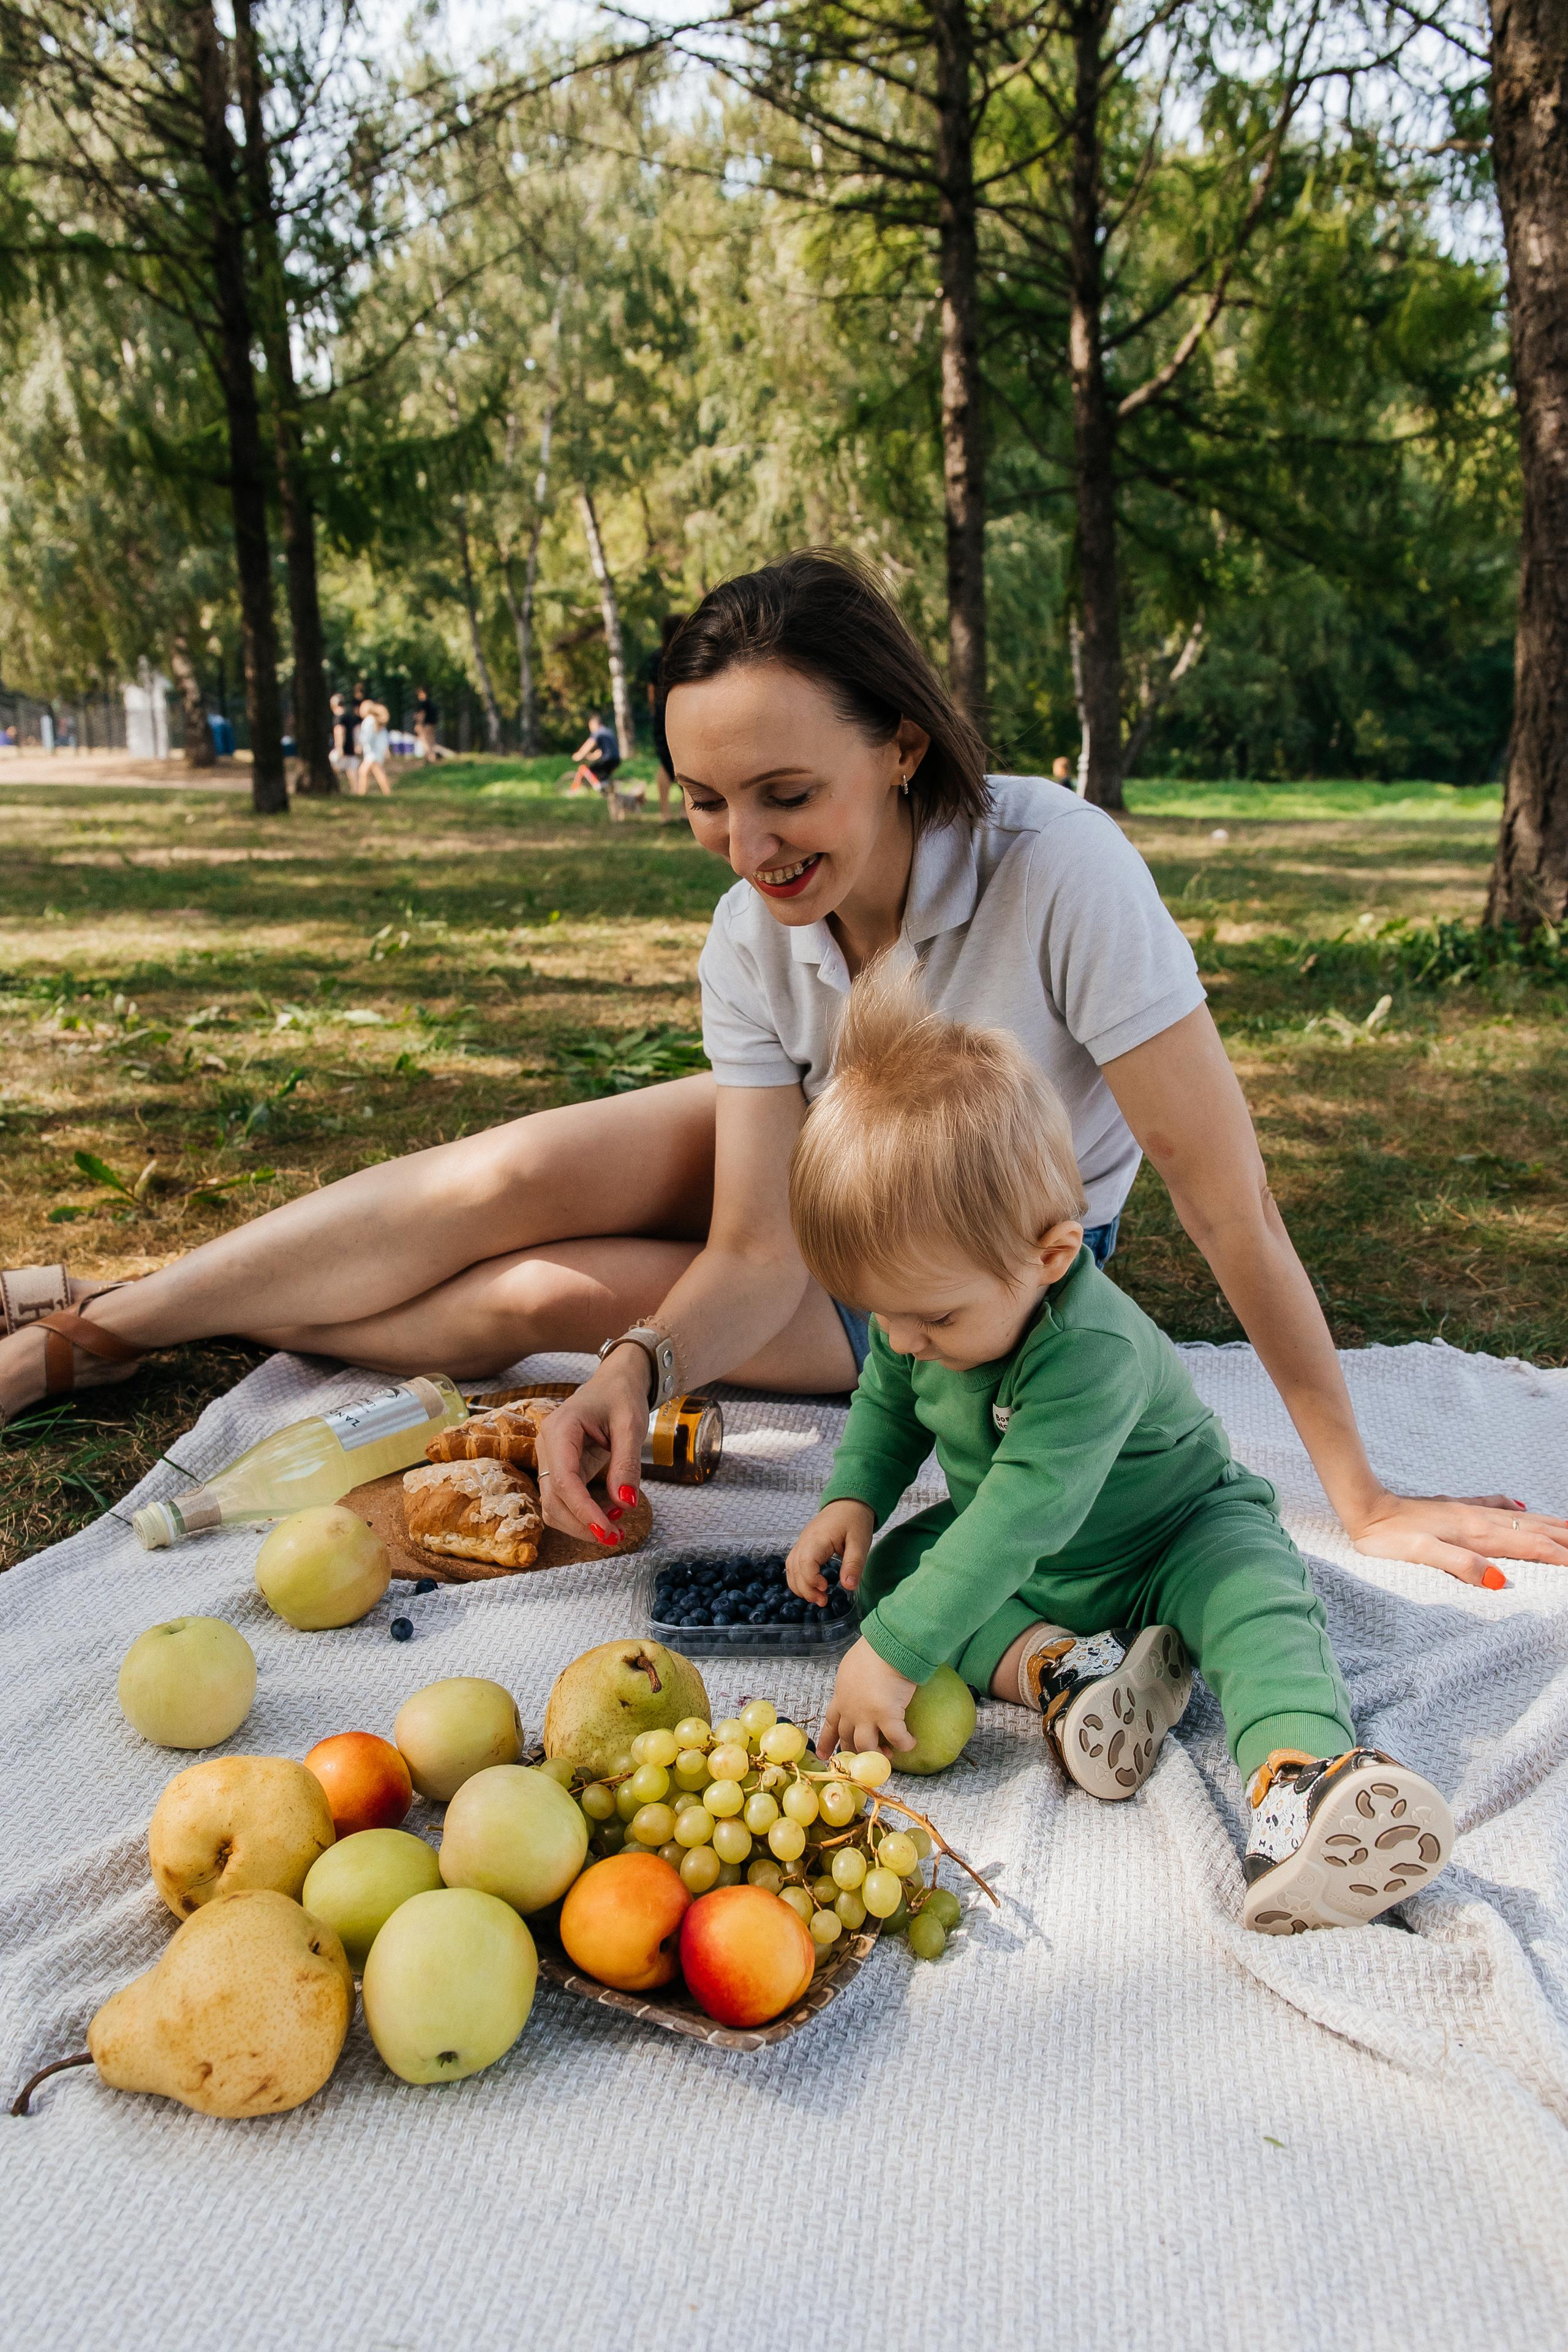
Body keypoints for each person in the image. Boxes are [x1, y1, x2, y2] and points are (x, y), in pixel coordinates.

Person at [1, 552, 1562, 1605]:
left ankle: (121, 1311)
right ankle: (110, 1321)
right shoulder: (760, 932)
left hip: (959, 1257)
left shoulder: (1060, 870)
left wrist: (1352, 1495)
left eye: (785, 793)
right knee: (502, 1176)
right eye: (703, 802)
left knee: (544, 1292)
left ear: (897, 745)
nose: (750, 850)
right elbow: (754, 1238)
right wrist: (652, 1363)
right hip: (822, 1166)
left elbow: (1235, 1216)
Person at [782, 965, 1454, 1930]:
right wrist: (852, 1499)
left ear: (1052, 1257)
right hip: (1048, 1570)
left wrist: (890, 1657)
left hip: (1177, 1534)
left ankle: (1302, 1784)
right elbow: (892, 1400)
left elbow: (1021, 1513)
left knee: (1258, 1607)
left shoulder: (1087, 1350)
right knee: (896, 1568)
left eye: (927, 1315)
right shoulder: (918, 1325)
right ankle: (1072, 1670)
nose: (900, 1340)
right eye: (876, 1313)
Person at [643, 616, 687, 823]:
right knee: (685, 762)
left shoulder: (656, 658)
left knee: (665, 764)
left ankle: (665, 814)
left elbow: (652, 690)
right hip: (685, 713)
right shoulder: (687, 656)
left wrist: (655, 713)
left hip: (662, 715)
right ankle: (685, 812)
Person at [566, 712, 620, 796]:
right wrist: (590, 757)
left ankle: (600, 788)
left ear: (594, 724)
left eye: (590, 726)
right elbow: (600, 752)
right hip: (616, 760)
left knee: (591, 771)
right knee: (603, 776)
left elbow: (589, 745)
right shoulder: (608, 731)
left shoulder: (598, 733)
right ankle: (605, 791)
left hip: (607, 759)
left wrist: (579, 755)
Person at [353, 701, 393, 797]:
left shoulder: (368, 721)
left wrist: (360, 745)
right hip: (376, 752)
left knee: (363, 771)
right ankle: (386, 792)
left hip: (372, 753)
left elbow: (367, 737)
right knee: (376, 773)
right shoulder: (376, 721)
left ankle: (362, 794)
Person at [414, 687, 451, 761]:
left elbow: (422, 714)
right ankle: (432, 756)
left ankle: (428, 756)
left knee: (424, 740)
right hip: (432, 723)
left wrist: (418, 724)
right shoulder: (430, 702)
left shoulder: (423, 703)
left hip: (426, 724)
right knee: (431, 740)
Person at [328, 693, 357, 784]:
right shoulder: (349, 716)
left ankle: (331, 785)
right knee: (351, 770)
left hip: (341, 748)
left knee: (331, 766)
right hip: (350, 747)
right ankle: (357, 790)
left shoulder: (338, 718)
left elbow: (339, 732)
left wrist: (339, 747)